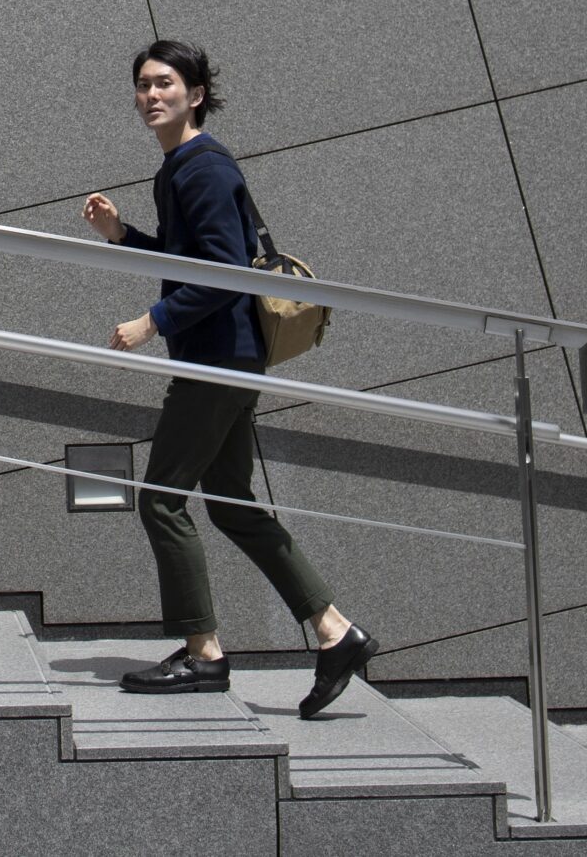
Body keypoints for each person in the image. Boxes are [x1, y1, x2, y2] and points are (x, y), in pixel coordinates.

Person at [81, 39, 377, 719]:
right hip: (225, 356)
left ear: (196, 94)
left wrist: (151, 321)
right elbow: (194, 260)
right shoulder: (181, 167)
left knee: (160, 497)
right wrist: (123, 234)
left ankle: (204, 652)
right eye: (142, 85)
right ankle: (336, 632)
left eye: (165, 84)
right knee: (232, 501)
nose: (151, 95)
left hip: (215, 358)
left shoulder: (202, 167)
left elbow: (223, 273)